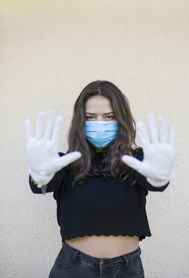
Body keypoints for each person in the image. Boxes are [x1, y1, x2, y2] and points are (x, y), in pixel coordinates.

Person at [24, 80, 175, 278]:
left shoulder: (136, 161)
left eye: (109, 117)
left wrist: (160, 177)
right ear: (80, 121)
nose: (100, 124)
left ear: (120, 120)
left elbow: (155, 182)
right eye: (91, 117)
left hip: (126, 269)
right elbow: (41, 185)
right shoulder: (64, 163)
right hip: (74, 268)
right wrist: (40, 174)